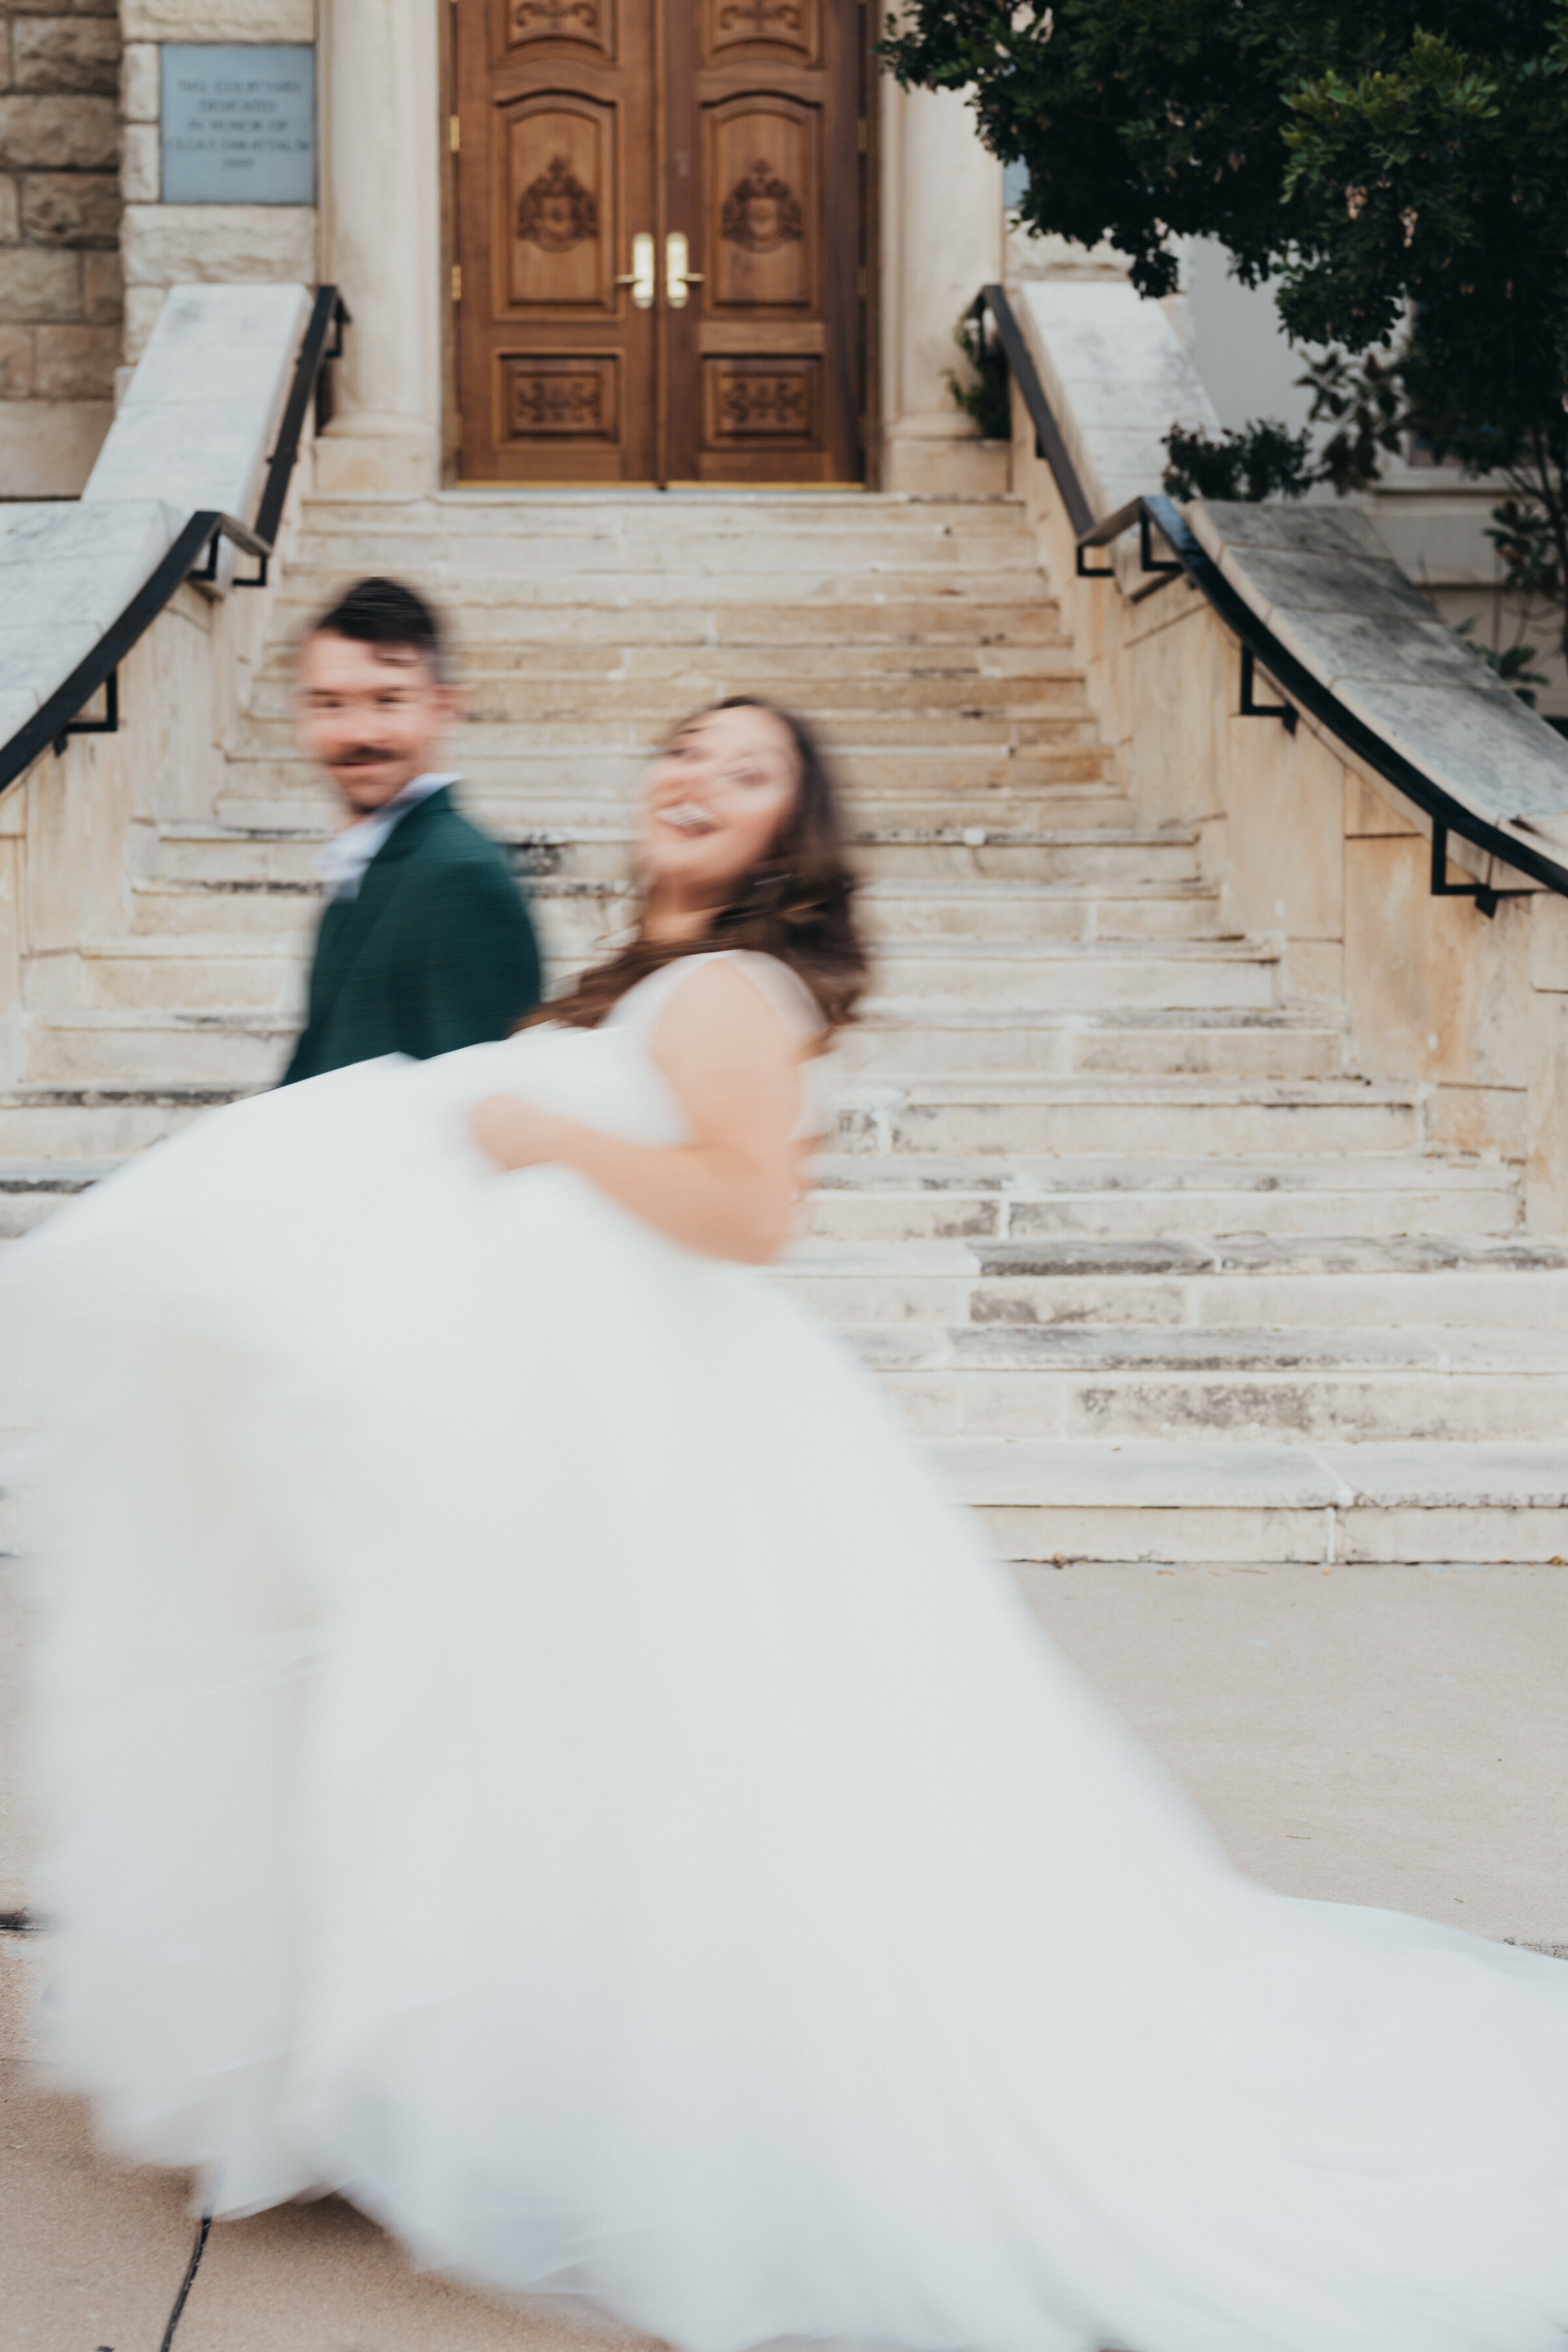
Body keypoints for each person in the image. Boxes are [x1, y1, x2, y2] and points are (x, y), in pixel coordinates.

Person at [5, 694, 1568, 2352]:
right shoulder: (644, 978)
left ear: (785, 835)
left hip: (685, 1435)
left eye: (745, 772)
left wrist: (542, 1131)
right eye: (680, 747)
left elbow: (748, 1212)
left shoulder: (735, 991)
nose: (693, 776)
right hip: (599, 1426)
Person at [280, 576, 542, 1084]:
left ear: (443, 707)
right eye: (330, 704)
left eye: (388, 700)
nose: (360, 733)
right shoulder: (371, 863)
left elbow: (476, 1105)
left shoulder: (460, 877)